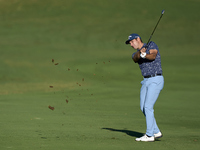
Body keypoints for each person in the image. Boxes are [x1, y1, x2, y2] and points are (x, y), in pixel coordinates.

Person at [125, 33, 164, 142]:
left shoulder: (151, 45)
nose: (131, 44)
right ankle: (156, 131)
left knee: (148, 106)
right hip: (145, 81)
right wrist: (140, 53)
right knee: (143, 107)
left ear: (138, 39)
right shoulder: (135, 53)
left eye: (132, 42)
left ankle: (149, 135)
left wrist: (145, 55)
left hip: (155, 79)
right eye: (130, 43)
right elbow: (135, 58)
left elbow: (153, 56)